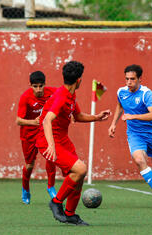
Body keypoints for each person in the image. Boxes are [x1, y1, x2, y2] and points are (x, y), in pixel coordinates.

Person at [36, 61, 111, 226]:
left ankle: (70, 214)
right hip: (49, 141)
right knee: (81, 169)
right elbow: (47, 120)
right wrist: (51, 145)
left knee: (79, 175)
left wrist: (97, 117)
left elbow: (77, 116)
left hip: (62, 140)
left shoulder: (70, 95)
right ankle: (56, 202)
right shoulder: (61, 96)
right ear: (79, 80)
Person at [108, 64, 152, 206]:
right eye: (127, 79)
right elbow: (120, 106)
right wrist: (113, 124)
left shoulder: (146, 94)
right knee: (139, 160)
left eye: (132, 79)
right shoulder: (121, 92)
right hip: (135, 134)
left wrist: (133, 117)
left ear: (140, 79)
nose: (129, 82)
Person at [16, 71, 57, 204]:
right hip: (28, 135)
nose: (38, 89)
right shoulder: (25, 97)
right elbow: (18, 120)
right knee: (29, 165)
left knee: (51, 156)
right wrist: (34, 122)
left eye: (41, 86)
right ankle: (25, 189)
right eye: (35, 86)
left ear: (45, 84)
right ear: (30, 85)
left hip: (44, 132)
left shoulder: (52, 92)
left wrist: (72, 112)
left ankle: (51, 186)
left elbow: (65, 97)